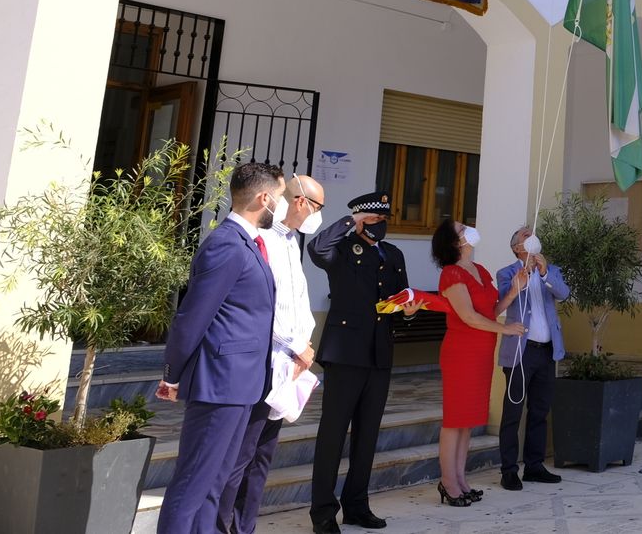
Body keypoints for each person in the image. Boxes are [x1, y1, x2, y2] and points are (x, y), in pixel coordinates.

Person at [154, 162, 285, 534]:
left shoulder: (248, 243)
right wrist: (173, 374)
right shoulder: (227, 243)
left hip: (242, 384)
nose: (281, 206)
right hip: (220, 384)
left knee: (215, 484)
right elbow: (192, 316)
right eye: (279, 198)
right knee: (193, 483)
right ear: (264, 198)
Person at [217, 173, 325, 534]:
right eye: (318, 207)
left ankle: (244, 527)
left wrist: (305, 347)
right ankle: (221, 526)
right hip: (264, 360)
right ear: (301, 202)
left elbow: (297, 301)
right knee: (241, 455)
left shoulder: (291, 241)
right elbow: (268, 304)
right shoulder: (263, 237)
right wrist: (296, 346)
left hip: (288, 364)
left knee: (262, 456)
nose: (318, 215)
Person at [308, 192, 414, 534]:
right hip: (345, 354)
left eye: (384, 219)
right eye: (373, 219)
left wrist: (408, 311)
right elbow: (316, 249)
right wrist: (349, 223)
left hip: (379, 354)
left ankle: (356, 506)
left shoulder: (393, 254)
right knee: (333, 435)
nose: (380, 224)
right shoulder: (341, 248)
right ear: (360, 219)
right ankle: (323, 513)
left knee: (367, 436)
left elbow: (401, 297)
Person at [432, 219, 522, 507]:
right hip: (461, 353)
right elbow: (469, 317)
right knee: (454, 420)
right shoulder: (451, 273)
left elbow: (489, 312)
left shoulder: (480, 270)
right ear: (454, 242)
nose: (469, 229)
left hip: (482, 351)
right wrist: (506, 329)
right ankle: (448, 482)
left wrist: (513, 291)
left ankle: (460, 479)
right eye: (462, 229)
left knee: (468, 421)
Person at [496, 224, 568, 491]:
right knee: (513, 412)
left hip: (546, 351)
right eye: (526, 235)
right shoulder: (506, 272)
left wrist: (544, 272)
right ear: (517, 247)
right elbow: (502, 301)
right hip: (520, 352)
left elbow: (564, 293)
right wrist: (520, 280)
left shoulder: (551, 269)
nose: (532, 237)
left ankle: (534, 466)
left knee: (540, 411)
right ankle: (508, 470)